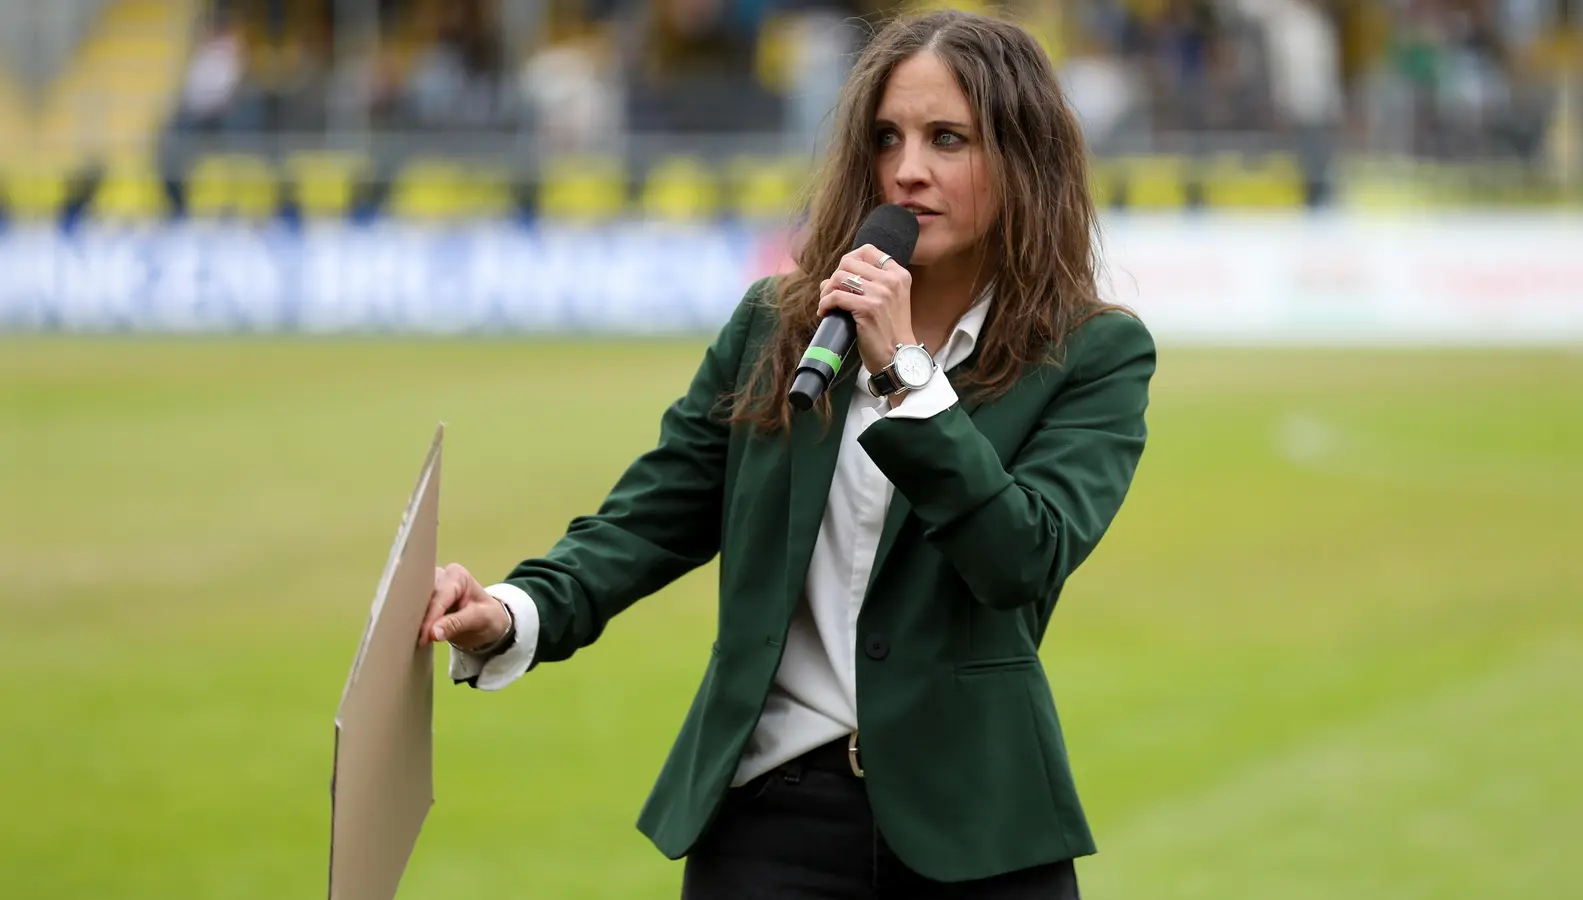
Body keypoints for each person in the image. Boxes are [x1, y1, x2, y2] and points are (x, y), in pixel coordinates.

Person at [419, 9, 1156, 898]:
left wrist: (906, 373)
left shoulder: (1092, 354)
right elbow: (650, 517)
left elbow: (1021, 558)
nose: (907, 169)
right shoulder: (780, 323)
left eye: (948, 139)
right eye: (888, 138)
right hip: (769, 819)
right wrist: (513, 612)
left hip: (980, 826)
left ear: (1024, 159)